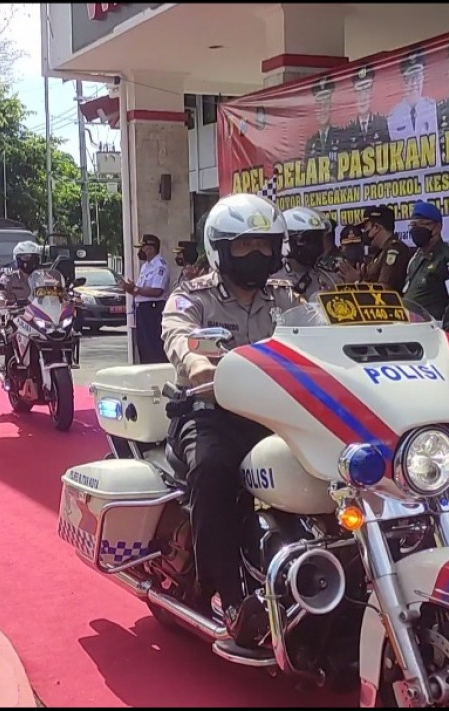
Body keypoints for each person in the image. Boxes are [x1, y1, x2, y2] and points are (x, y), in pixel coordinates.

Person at [162, 192, 300, 660]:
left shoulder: (288, 297)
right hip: (211, 413)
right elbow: (177, 335)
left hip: (280, 415)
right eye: (243, 247)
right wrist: (195, 362)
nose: (256, 255)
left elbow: (324, 331)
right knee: (214, 471)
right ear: (220, 249)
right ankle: (223, 592)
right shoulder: (192, 295)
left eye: (264, 245)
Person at [402, 201, 449, 334]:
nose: (417, 229)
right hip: (411, 330)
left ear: (437, 227)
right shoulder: (416, 259)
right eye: (413, 225)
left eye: (423, 224)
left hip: (433, 331)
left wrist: (448, 336)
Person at [120, 233, 169, 364]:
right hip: (142, 310)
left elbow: (157, 291)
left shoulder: (160, 266)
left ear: (151, 249)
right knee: (143, 346)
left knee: (153, 345)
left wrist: (135, 289)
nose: (140, 251)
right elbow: (140, 289)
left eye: (143, 248)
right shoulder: (146, 266)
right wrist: (130, 289)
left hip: (153, 310)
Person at [339, 205, 410, 292]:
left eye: (366, 229)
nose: (364, 234)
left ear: (376, 227)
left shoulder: (394, 250)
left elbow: (385, 289)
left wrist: (357, 282)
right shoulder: (380, 252)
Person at [280, 205, 340, 299]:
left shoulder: (330, 279)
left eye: (319, 238)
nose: (317, 244)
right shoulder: (272, 280)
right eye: (312, 238)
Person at [387, 47, 438, 141]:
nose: (414, 83)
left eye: (417, 76)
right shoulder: (393, 117)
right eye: (409, 78)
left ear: (423, 78)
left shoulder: (434, 109)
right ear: (403, 81)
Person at [343, 65, 387, 150]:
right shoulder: (348, 130)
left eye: (366, 91)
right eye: (359, 92)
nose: (363, 98)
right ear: (354, 95)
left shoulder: (382, 124)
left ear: (371, 94)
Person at [305, 77, 342, 169]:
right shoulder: (310, 143)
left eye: (326, 104)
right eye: (319, 105)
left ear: (331, 106)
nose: (322, 110)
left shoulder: (341, 137)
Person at [0, 240, 42, 306]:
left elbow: (57, 293)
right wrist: (1, 300)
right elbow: (1, 292)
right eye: (26, 258)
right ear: (17, 260)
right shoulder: (9, 278)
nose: (31, 261)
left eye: (34, 258)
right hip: (17, 314)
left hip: (39, 314)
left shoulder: (44, 278)